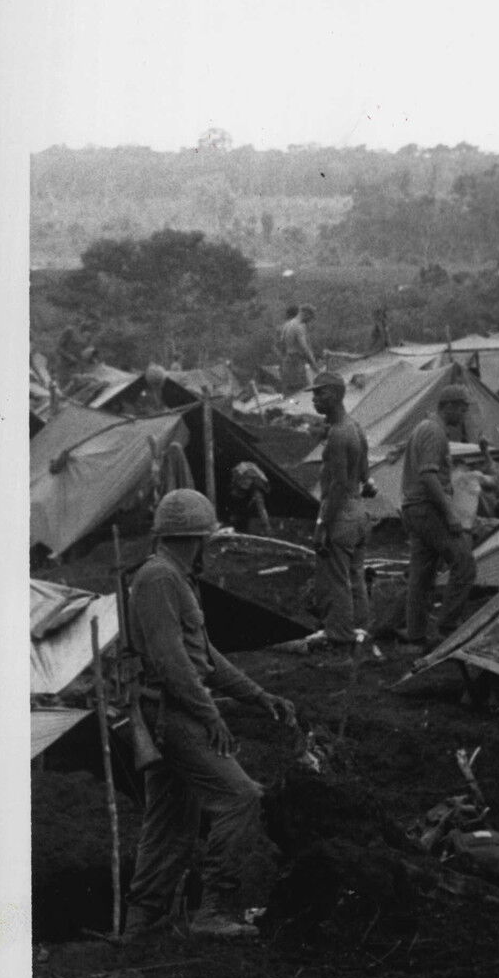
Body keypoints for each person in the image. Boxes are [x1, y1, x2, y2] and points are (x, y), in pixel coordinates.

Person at [123, 489, 298, 939]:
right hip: (171, 711)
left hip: (171, 705)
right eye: (206, 541)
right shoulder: (160, 579)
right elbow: (170, 661)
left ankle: (142, 923)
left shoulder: (173, 578)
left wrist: (257, 695)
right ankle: (213, 911)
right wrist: (210, 716)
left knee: (169, 820)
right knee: (240, 797)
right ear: (195, 539)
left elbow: (205, 657)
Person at [400, 383, 479, 646]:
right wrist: (450, 515)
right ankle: (447, 628)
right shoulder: (435, 432)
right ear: (450, 407)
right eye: (463, 409)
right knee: (464, 564)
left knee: (421, 575)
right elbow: (428, 476)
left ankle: (416, 635)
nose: (464, 415)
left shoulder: (424, 428)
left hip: (414, 508)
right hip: (427, 508)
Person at [311, 371, 371, 652]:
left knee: (337, 578)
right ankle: (360, 628)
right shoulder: (355, 427)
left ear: (335, 394)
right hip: (359, 512)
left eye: (319, 393)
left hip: (342, 514)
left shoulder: (338, 434)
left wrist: (323, 525)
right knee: (355, 575)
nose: (314, 399)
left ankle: (341, 634)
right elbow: (363, 474)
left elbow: (337, 486)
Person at [278, 305, 318, 393]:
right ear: (306, 314)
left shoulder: (287, 325)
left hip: (287, 361)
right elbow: (304, 348)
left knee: (291, 391)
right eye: (310, 318)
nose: (310, 321)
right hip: (298, 362)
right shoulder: (299, 326)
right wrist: (313, 363)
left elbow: (282, 344)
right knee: (304, 391)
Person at [225, 461, 271, 535]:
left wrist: (266, 525)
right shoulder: (237, 476)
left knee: (257, 504)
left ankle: (264, 527)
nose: (247, 481)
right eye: (246, 479)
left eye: (249, 479)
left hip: (253, 494)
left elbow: (261, 508)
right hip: (240, 491)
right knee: (235, 499)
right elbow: (234, 495)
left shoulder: (257, 487)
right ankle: (234, 521)